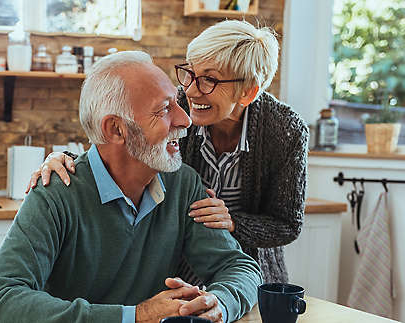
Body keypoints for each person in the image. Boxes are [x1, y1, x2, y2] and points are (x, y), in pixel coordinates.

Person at [0, 51, 262, 323]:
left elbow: (241, 268)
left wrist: (220, 303)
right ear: (116, 129)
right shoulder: (56, 192)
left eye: (176, 102)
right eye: (164, 109)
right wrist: (134, 316)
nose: (185, 120)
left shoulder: (182, 184)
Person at [26, 20, 309, 284]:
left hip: (247, 276)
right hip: (174, 276)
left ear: (248, 92)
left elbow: (287, 224)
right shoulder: (179, 104)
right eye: (190, 72)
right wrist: (67, 159)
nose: (192, 91)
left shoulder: (285, 130)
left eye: (209, 80)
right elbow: (122, 143)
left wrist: (234, 222)